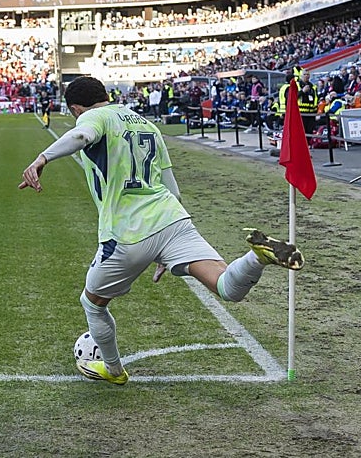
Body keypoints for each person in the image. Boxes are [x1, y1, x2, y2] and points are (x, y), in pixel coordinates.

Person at [18, 76, 304, 385]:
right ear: (105, 94)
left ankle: (114, 370)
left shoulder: (93, 117)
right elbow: (174, 190)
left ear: (75, 108)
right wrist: (163, 251)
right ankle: (257, 258)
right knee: (225, 286)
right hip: (171, 218)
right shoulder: (145, 123)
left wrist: (42, 158)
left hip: (127, 231)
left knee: (93, 303)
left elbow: (82, 136)